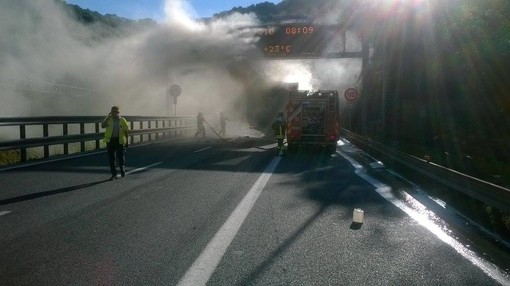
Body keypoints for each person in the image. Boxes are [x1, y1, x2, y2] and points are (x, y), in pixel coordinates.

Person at [101, 106, 130, 180]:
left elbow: (126, 131)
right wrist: (107, 118)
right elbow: (102, 126)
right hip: (110, 141)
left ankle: (122, 167)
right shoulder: (109, 119)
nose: (114, 113)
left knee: (120, 156)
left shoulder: (122, 120)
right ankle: (114, 174)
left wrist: (127, 142)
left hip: (119, 141)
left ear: (118, 112)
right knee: (111, 158)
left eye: (115, 111)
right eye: (112, 111)